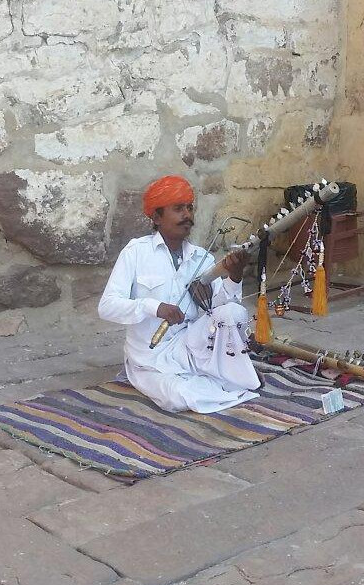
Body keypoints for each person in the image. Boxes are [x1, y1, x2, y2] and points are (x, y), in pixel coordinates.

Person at [98, 175, 261, 414]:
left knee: (233, 311)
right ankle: (222, 384)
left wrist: (234, 277)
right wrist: (154, 307)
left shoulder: (201, 257)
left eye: (189, 207)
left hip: (190, 346)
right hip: (149, 358)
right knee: (177, 398)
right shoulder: (135, 252)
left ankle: (222, 381)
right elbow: (107, 306)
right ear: (156, 217)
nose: (187, 215)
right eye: (178, 209)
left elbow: (223, 314)